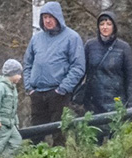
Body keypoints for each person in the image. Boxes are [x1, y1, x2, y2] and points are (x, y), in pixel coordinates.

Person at [23, 1, 85, 145]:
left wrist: (62, 89)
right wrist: (29, 87)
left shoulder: (72, 37)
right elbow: (27, 63)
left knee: (59, 134)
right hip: (37, 93)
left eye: (50, 17)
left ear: (58, 17)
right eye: (44, 17)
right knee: (36, 135)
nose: (48, 20)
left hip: (58, 94)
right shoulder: (36, 38)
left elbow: (78, 66)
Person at [82, 12, 132, 115]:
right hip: (93, 102)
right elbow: (81, 72)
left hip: (117, 102)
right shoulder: (90, 46)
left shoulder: (124, 47)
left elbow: (131, 78)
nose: (105, 27)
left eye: (108, 24)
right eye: (102, 24)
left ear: (114, 26)